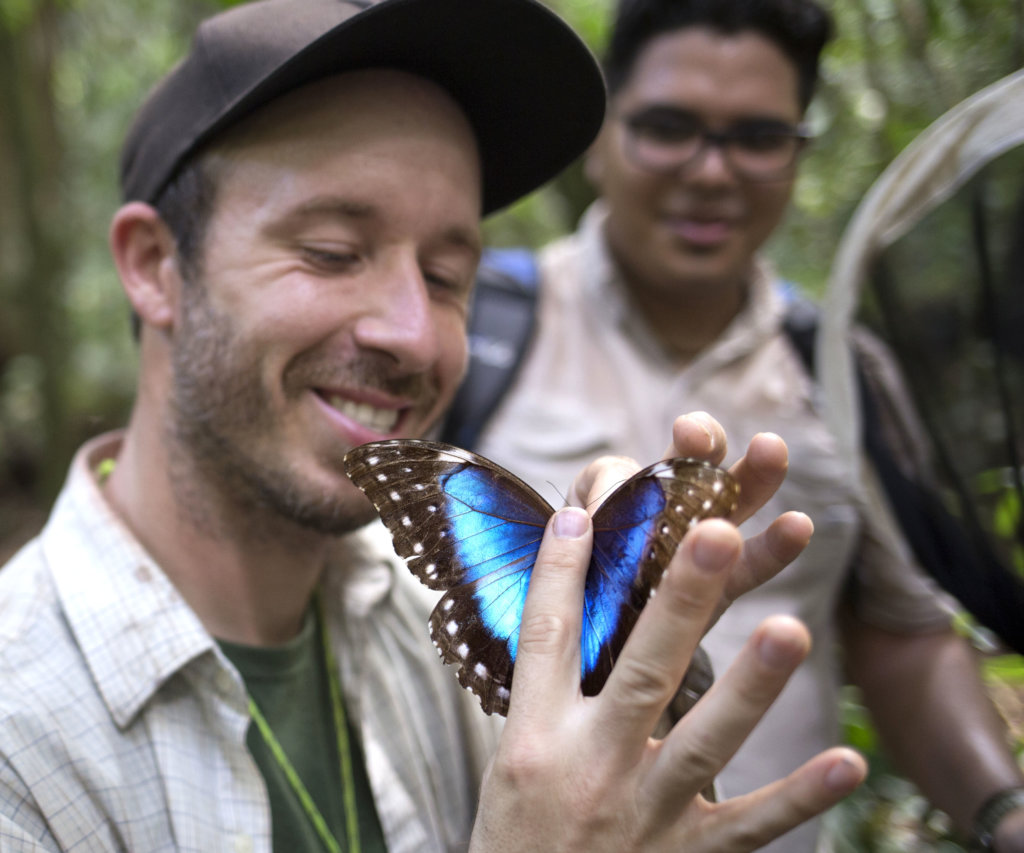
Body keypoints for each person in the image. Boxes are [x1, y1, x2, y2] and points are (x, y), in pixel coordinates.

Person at [0, 0, 870, 851]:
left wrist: (640, 668)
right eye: (333, 252)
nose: (414, 334)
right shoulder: (22, 739)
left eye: (449, 274)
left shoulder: (423, 615)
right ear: (156, 268)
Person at [458, 0, 1024, 850]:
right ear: (604, 138)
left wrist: (1000, 811)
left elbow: (900, 635)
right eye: (669, 127)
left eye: (757, 137)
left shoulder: (842, 369)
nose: (712, 170)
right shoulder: (475, 332)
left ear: (797, 155)